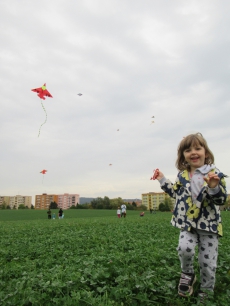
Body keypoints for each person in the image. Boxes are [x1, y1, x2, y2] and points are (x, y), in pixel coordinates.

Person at [154, 133, 227, 303]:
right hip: (187, 223)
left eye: (197, 148)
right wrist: (162, 179)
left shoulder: (215, 174)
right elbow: (175, 192)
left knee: (207, 262)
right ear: (183, 156)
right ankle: (187, 274)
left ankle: (206, 290)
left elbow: (221, 200)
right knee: (184, 248)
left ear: (206, 153)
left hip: (209, 226)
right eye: (188, 150)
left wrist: (214, 187)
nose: (193, 152)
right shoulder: (183, 176)